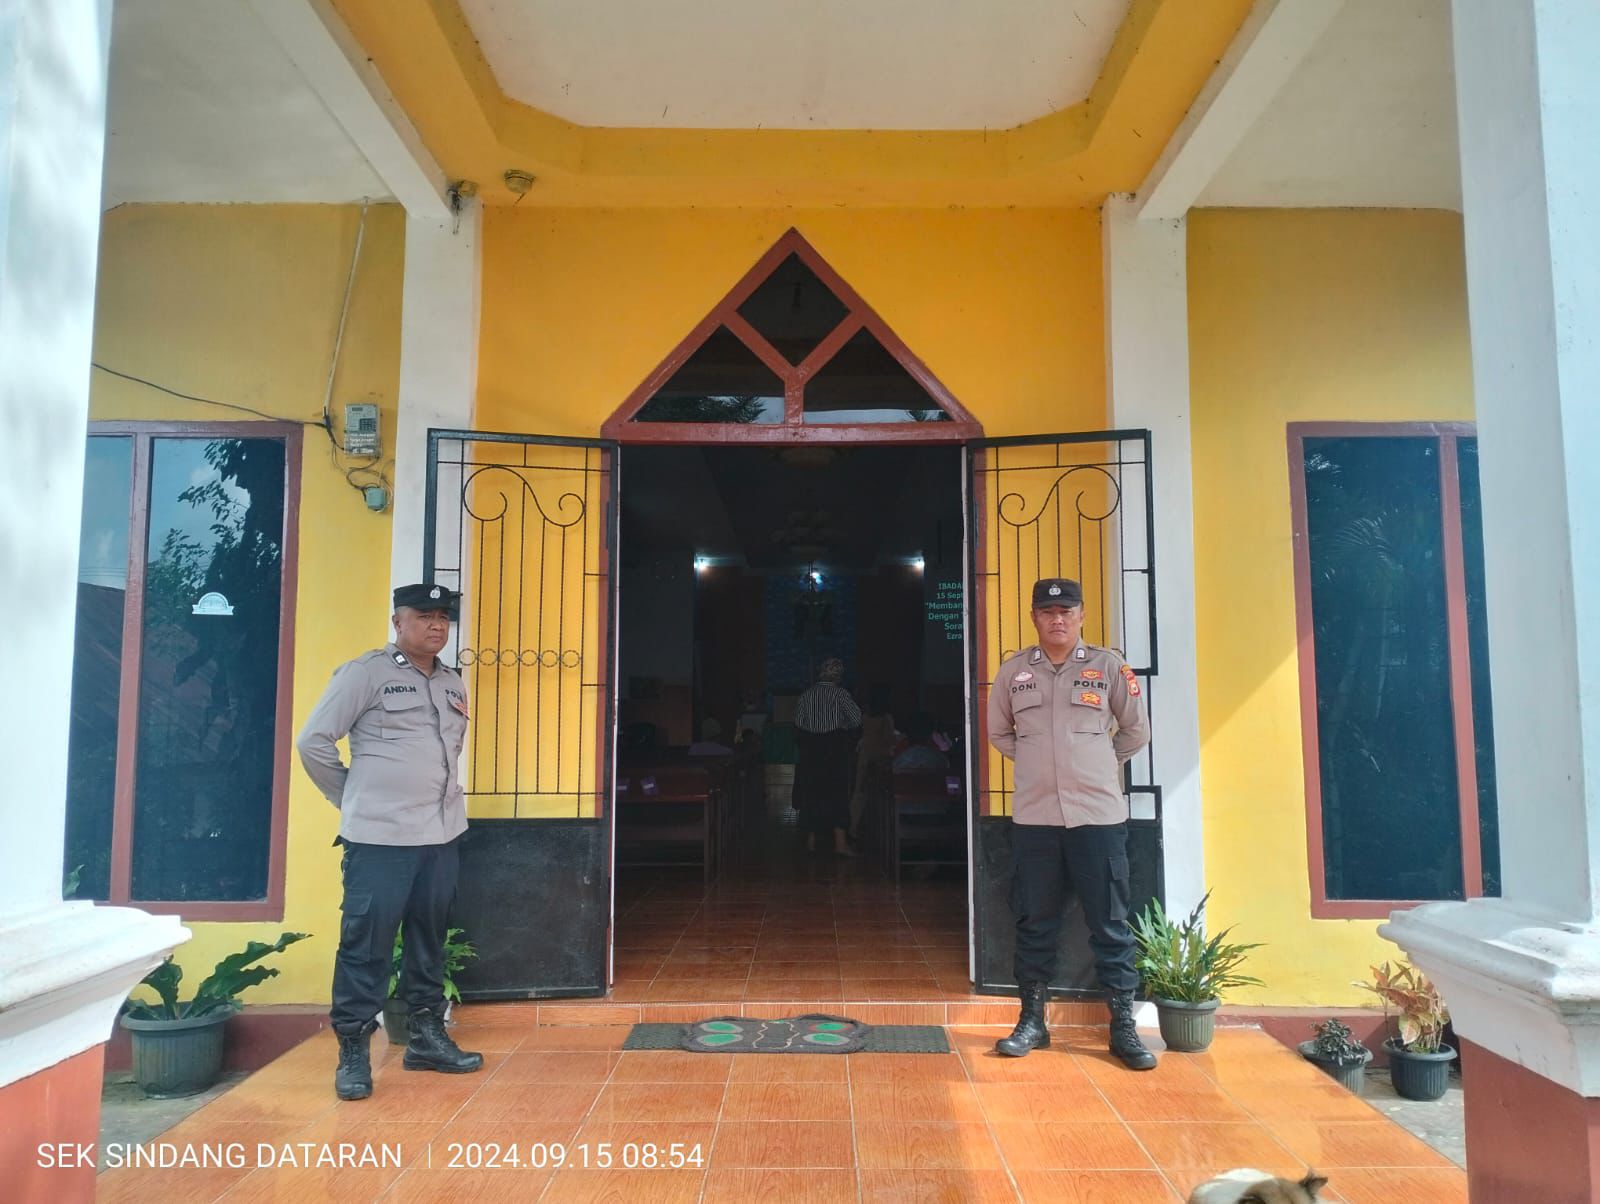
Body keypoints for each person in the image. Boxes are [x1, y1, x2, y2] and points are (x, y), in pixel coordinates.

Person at [297, 583, 485, 1101]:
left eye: (443, 617)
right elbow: (313, 741)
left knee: (429, 938)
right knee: (366, 943)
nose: (436, 625)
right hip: (380, 839)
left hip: (440, 834)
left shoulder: (452, 682)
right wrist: (354, 800)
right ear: (398, 621)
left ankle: (425, 1036)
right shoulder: (366, 674)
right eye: (424, 615)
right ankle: (353, 1049)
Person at [986, 577, 1156, 1069]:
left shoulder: (1108, 668)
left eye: (1066, 610)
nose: (1057, 619)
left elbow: (1134, 731)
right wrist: (1040, 762)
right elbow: (999, 731)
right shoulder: (1015, 672)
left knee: (1109, 922)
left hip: (1098, 817)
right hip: (1036, 817)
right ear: (1035, 617)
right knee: (1035, 919)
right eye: (1047, 611)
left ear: (1082, 615)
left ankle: (1122, 1026)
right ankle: (1032, 1021)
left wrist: (1097, 762)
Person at [793, 656, 863, 855]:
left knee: (812, 793)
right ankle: (840, 844)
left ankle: (811, 842)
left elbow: (799, 723)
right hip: (835, 749)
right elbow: (857, 720)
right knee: (837, 793)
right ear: (839, 676)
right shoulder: (841, 694)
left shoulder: (806, 695)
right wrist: (843, 727)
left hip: (811, 750)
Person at [850, 683, 896, 842]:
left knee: (859, 793)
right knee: (880, 794)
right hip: (881, 757)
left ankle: (854, 827)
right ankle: (877, 828)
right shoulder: (886, 718)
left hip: (864, 755)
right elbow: (889, 739)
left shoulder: (865, 715)